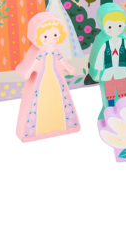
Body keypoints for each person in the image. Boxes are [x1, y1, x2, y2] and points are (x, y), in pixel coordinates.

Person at [12, 13, 81, 144]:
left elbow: (62, 61)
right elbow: (31, 63)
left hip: (56, 79)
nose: (50, 39)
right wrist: (27, 72)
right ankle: (39, 129)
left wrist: (69, 68)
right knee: (39, 101)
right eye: (45, 36)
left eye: (54, 35)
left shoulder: (56, 51)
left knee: (58, 100)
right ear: (37, 36)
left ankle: (62, 126)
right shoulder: (38, 52)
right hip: (41, 81)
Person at [88, 3, 126, 119]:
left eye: (120, 25)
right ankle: (110, 112)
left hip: (121, 71)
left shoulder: (124, 41)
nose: (115, 30)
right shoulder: (103, 42)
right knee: (109, 94)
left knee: (123, 92)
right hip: (107, 73)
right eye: (110, 27)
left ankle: (125, 110)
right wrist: (97, 72)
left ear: (124, 24)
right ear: (103, 25)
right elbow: (99, 59)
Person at [42, 0, 88, 69]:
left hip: (59, 9)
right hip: (51, 9)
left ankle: (65, 53)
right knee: (49, 28)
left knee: (63, 28)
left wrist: (76, 2)